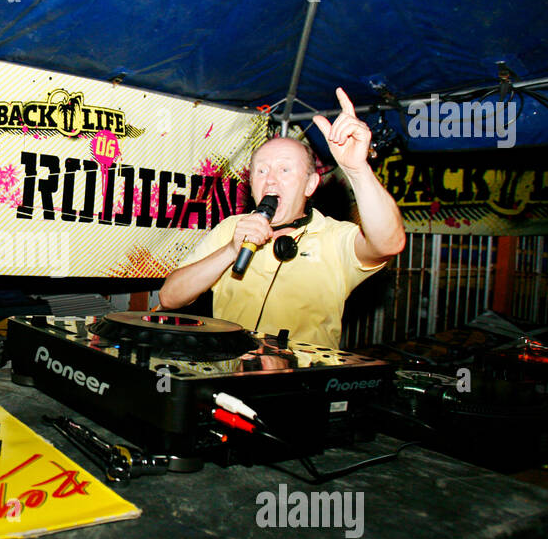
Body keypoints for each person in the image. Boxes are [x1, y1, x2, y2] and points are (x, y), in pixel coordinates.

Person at [158, 88, 406, 349]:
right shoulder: (230, 229)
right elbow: (170, 298)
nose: (271, 179)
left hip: (302, 384)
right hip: (231, 375)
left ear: (310, 185)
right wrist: (231, 249)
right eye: (261, 170)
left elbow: (389, 243)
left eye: (285, 169)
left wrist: (358, 170)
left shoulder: (333, 237)